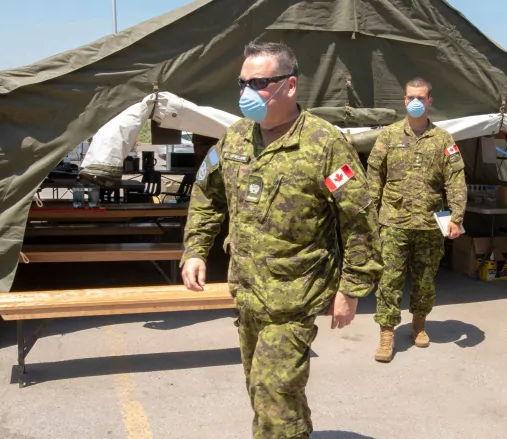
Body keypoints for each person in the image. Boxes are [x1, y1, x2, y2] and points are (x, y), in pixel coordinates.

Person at [180, 40, 383, 439]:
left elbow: (358, 219)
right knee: (267, 392)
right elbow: (207, 193)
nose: (246, 93)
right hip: (248, 291)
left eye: (258, 83)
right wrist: (195, 249)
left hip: (295, 295)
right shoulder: (236, 139)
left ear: (289, 86)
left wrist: (352, 288)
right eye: (242, 83)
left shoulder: (324, 145)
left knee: (272, 396)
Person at [366, 77, 467, 363]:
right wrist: (371, 216)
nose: (415, 102)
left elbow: (456, 180)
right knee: (389, 279)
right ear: (404, 100)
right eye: (411, 97)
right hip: (393, 221)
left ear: (430, 100)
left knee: (425, 280)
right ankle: (387, 334)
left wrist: (456, 217)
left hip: (429, 223)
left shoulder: (443, 139)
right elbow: (374, 175)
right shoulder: (388, 135)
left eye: (421, 97)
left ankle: (419, 325)